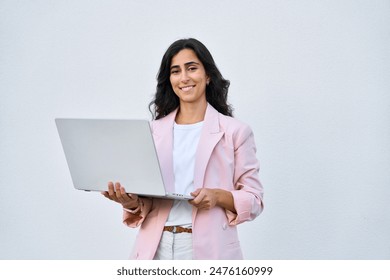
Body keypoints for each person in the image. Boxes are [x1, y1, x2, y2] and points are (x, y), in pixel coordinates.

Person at [102, 38, 263, 260]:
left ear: (208, 75)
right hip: (155, 248)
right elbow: (147, 201)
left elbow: (254, 199)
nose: (184, 78)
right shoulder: (152, 132)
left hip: (208, 249)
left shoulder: (236, 132)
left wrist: (217, 196)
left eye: (192, 68)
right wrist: (130, 202)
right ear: (169, 80)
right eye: (175, 71)